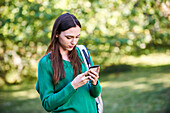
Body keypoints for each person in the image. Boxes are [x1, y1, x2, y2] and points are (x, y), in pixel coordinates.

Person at [35, 13, 102, 113]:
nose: (74, 42)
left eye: (77, 37)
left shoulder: (82, 53)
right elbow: (48, 104)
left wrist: (94, 83)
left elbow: (95, 93)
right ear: (57, 34)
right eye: (69, 37)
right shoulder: (45, 63)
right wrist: (73, 85)